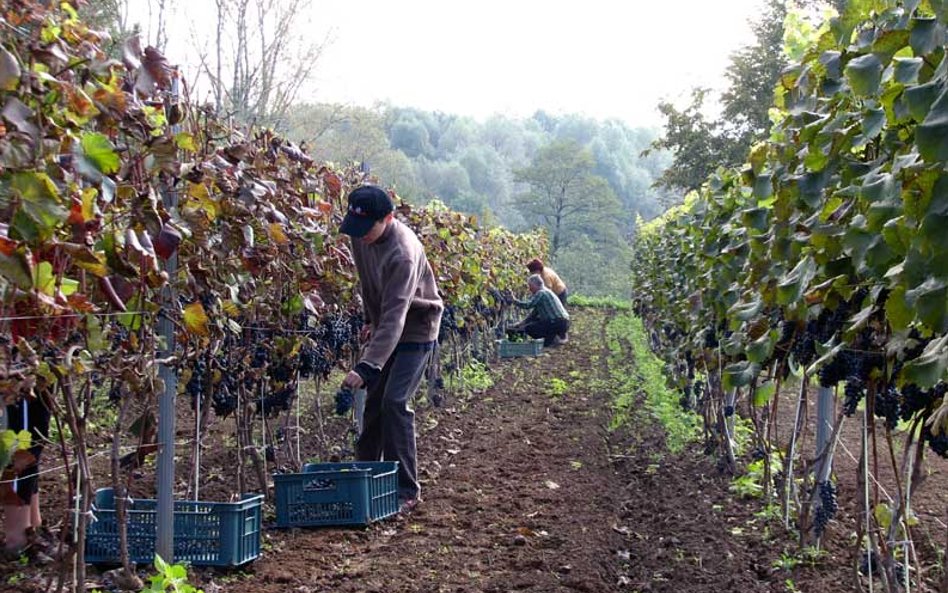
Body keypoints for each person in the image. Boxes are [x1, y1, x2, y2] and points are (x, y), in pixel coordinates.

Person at [339, 185, 444, 514]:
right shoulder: (360, 235)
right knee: (374, 406)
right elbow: (368, 284)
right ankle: (366, 479)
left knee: (395, 402)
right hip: (387, 325)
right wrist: (372, 319)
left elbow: (398, 316)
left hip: (416, 329)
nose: (361, 236)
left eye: (368, 228)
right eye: (356, 228)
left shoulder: (403, 253)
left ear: (388, 218)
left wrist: (367, 366)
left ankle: (407, 490)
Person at [2, 391, 50, 558]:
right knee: (21, 447)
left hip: (38, 370)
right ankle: (17, 538)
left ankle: (33, 527)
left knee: (35, 439)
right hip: (19, 370)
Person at [509, 274, 570, 347]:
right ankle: (556, 337)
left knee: (529, 329)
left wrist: (514, 300)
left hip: (556, 323)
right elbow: (533, 315)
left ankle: (553, 338)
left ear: (536, 285)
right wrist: (520, 324)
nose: (530, 289)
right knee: (534, 323)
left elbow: (528, 305)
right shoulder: (547, 291)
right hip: (564, 323)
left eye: (530, 286)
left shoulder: (541, 293)